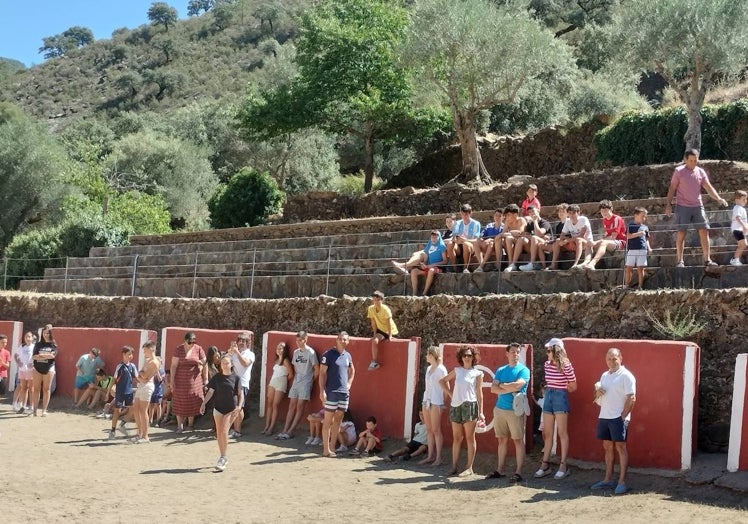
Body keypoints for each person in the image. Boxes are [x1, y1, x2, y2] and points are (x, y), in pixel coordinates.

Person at [664, 149, 729, 267]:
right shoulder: (679, 171)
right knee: (681, 232)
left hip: (698, 205)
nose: (693, 163)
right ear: (685, 160)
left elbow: (708, 187)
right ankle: (680, 261)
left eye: (695, 160)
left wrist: (719, 198)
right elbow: (672, 188)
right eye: (691, 160)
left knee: (704, 230)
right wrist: (668, 205)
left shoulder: (700, 172)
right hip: (682, 206)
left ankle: (707, 260)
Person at [591, 348, 637, 495]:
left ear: (621, 358)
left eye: (614, 358)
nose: (611, 361)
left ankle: (622, 482)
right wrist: (597, 392)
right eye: (609, 359)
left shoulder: (626, 376)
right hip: (604, 416)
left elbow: (632, 398)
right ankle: (607, 479)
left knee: (620, 448)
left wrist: (623, 417)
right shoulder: (604, 375)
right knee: (607, 447)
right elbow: (599, 397)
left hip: (618, 418)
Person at [486, 343, 531, 483]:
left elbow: (519, 385)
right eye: (513, 352)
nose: (515, 354)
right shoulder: (501, 370)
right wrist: (509, 387)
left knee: (518, 440)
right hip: (500, 409)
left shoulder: (524, 370)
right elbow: (493, 389)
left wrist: (503, 386)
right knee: (502, 439)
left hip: (515, 410)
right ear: (507, 354)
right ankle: (500, 469)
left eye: (517, 352)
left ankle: (518, 472)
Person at [535, 338, 577, 480]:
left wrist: (561, 388)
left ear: (556, 350)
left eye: (549, 350)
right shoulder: (547, 365)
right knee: (548, 433)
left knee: (562, 432)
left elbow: (573, 386)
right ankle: (545, 464)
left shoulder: (566, 365)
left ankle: (563, 465)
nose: (547, 353)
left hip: (559, 396)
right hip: (549, 396)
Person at [439, 344, 484, 477]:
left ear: (473, 357)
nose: (467, 357)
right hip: (456, 406)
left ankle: (469, 467)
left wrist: (481, 411)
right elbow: (442, 381)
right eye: (465, 355)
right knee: (457, 438)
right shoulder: (457, 370)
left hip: (470, 406)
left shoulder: (477, 373)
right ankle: (453, 467)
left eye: (470, 355)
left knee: (470, 438)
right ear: (461, 357)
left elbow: (480, 393)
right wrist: (451, 394)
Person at [200, 354, 243, 472]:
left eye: (227, 363)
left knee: (224, 431)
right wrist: (203, 403)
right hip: (218, 408)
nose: (224, 365)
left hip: (231, 409)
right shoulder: (217, 378)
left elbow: (240, 394)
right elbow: (210, 392)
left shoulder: (236, 378)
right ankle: (222, 456)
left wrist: (239, 406)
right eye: (223, 363)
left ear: (231, 364)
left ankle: (223, 457)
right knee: (219, 433)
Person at [319, 331, 355, 457]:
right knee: (328, 421)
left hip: (344, 393)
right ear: (337, 340)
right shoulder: (329, 354)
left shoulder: (348, 356)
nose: (342, 341)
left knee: (338, 421)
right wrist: (322, 391)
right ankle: (325, 449)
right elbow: (322, 373)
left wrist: (349, 384)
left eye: (345, 339)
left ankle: (332, 447)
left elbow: (352, 370)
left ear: (348, 341)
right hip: (331, 392)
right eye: (340, 339)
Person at [279, 331, 319, 441]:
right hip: (297, 381)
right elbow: (295, 367)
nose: (298, 342)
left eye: (300, 340)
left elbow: (317, 370)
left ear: (305, 340)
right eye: (297, 340)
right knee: (292, 405)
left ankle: (291, 431)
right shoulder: (296, 352)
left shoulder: (311, 352)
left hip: (306, 382)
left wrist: (309, 380)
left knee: (300, 406)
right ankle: (285, 430)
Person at [170, 332, 208, 434]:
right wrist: (171, 381)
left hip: (194, 380)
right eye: (189, 342)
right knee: (179, 400)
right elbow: (173, 365)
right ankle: (180, 426)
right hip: (180, 379)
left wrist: (201, 367)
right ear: (185, 340)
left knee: (192, 401)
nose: (191, 344)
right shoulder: (179, 349)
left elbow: (205, 362)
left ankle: (190, 425)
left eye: (193, 342)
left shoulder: (198, 348)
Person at [419, 346, 447, 466]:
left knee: (436, 430)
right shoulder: (429, 368)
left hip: (436, 401)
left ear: (432, 355)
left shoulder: (441, 369)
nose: (426, 357)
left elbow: (446, 386)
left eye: (428, 355)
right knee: (429, 429)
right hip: (427, 400)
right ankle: (430, 456)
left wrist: (443, 402)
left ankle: (439, 457)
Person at [583, 200, 627, 270]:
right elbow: (607, 234)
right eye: (602, 211)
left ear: (611, 209)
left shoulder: (617, 219)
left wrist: (598, 241)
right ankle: (585, 263)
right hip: (609, 242)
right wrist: (595, 243)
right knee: (589, 244)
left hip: (620, 242)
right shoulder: (604, 220)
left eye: (606, 210)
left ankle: (592, 264)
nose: (604, 213)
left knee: (603, 242)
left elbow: (613, 237)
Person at [547, 204, 594, 270]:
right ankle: (553, 264)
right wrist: (565, 241)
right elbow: (561, 236)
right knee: (557, 241)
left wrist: (568, 240)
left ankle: (575, 264)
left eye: (574, 213)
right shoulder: (568, 221)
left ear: (578, 213)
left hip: (586, 243)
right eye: (570, 213)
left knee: (578, 240)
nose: (572, 215)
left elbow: (581, 236)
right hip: (574, 243)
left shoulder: (583, 219)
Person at [130, 341, 160, 444]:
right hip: (142, 385)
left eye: (145, 350)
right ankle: (139, 434)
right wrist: (141, 375)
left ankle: (145, 436)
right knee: (136, 409)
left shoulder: (155, 362)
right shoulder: (147, 361)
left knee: (143, 411)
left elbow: (145, 375)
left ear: (151, 349)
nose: (144, 353)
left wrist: (141, 375)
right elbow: (140, 375)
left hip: (147, 386)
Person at [228, 332, 255, 438]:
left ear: (248, 343)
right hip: (232, 383)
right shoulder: (234, 352)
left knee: (239, 407)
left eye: (244, 341)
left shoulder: (250, 354)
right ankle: (234, 429)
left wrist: (236, 352)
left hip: (243, 383)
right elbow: (225, 362)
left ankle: (237, 431)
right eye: (240, 341)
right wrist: (230, 351)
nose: (241, 343)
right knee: (233, 406)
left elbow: (245, 363)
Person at [107, 346, 137, 440]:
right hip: (120, 392)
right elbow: (114, 379)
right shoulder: (119, 367)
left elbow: (137, 377)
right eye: (129, 354)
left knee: (132, 410)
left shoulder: (133, 366)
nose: (131, 356)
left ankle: (122, 424)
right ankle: (112, 431)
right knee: (117, 411)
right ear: (123, 354)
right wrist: (110, 389)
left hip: (129, 392)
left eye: (132, 354)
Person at [264, 341, 293, 436]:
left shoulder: (285, 360)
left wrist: (283, 380)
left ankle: (271, 428)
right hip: (273, 381)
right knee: (269, 404)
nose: (279, 350)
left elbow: (291, 374)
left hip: (281, 382)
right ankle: (266, 426)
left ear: (284, 350)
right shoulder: (276, 360)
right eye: (278, 348)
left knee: (275, 405)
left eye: (281, 348)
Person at [406, 231, 448, 295]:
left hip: (438, 268)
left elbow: (445, 261)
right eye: (432, 237)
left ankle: (424, 293)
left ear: (439, 237)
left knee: (431, 270)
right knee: (414, 271)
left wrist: (432, 265)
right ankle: (414, 293)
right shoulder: (429, 244)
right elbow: (426, 256)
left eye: (435, 237)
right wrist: (424, 264)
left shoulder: (442, 246)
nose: (433, 239)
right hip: (428, 267)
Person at [367, 290, 398, 370]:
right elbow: (373, 323)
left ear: (381, 300)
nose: (376, 302)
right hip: (380, 331)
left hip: (390, 330)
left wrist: (390, 335)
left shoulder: (385, 309)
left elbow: (389, 323)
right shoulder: (370, 309)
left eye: (378, 300)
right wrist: (375, 334)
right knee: (374, 341)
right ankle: (374, 362)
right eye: (374, 299)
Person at [31, 324, 58, 417]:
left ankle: (44, 410)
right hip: (37, 368)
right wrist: (45, 355)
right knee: (36, 389)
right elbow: (34, 356)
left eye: (47, 333)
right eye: (44, 333)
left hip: (49, 368)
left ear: (50, 334)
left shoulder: (53, 345)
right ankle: (34, 410)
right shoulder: (38, 344)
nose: (45, 334)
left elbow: (52, 356)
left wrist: (41, 355)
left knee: (46, 389)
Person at [447, 204, 481, 273]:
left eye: (466, 214)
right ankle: (455, 267)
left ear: (470, 213)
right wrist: (456, 240)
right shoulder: (458, 223)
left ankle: (465, 268)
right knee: (450, 244)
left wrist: (465, 240)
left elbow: (476, 240)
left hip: (471, 246)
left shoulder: (476, 223)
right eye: (462, 214)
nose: (464, 216)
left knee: (466, 244)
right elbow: (454, 236)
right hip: (459, 246)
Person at [518, 205, 552, 271]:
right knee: (522, 239)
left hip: (546, 245)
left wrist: (535, 221)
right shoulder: (530, 224)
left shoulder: (545, 223)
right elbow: (526, 235)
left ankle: (532, 263)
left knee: (534, 237)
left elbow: (539, 234)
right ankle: (513, 264)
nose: (532, 213)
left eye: (533, 211)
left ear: (538, 211)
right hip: (534, 245)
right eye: (530, 212)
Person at [625, 207, 652, 289]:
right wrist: (638, 234)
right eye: (642, 216)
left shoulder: (645, 227)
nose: (644, 218)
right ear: (636, 215)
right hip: (632, 249)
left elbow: (646, 239)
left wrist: (649, 248)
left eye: (645, 216)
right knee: (629, 268)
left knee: (640, 268)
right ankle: (626, 285)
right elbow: (628, 236)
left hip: (642, 249)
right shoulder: (630, 225)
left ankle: (640, 286)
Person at [501, 204, 528, 273]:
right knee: (506, 238)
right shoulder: (507, 221)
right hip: (515, 241)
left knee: (509, 237)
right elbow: (503, 233)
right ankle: (510, 263)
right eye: (506, 215)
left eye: (509, 215)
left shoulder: (521, 220)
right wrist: (509, 233)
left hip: (524, 242)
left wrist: (509, 233)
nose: (507, 217)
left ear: (515, 215)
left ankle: (513, 263)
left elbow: (520, 233)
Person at [12, 331, 35, 414]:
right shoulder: (22, 346)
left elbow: (37, 357)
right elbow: (15, 355)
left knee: (31, 389)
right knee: (23, 388)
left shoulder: (34, 347)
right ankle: (23, 406)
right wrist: (18, 363)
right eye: (26, 337)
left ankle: (31, 406)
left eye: (29, 336)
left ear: (32, 338)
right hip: (22, 370)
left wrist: (33, 363)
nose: (28, 338)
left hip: (31, 371)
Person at [730, 190, 748, 266]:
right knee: (743, 244)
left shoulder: (741, 208)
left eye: (746, 199)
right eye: (743, 199)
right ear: (737, 200)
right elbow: (738, 217)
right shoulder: (737, 207)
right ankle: (735, 259)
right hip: (738, 230)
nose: (745, 201)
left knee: (742, 245)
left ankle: (736, 259)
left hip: (740, 230)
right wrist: (744, 226)